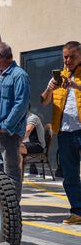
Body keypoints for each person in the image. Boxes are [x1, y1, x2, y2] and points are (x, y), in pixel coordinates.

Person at [41, 41, 81, 225]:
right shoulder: (59, 76)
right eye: (65, 56)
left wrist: (74, 85)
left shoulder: (74, 78)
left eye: (72, 56)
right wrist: (49, 89)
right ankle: (77, 212)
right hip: (65, 133)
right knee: (70, 174)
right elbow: (44, 102)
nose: (68, 60)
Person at [0, 42, 30, 202]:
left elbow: (21, 104)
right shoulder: (0, 74)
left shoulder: (19, 75)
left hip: (7, 133)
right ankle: (1, 206)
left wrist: (6, 126)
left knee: (10, 171)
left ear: (0, 58)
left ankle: (12, 208)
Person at [20, 108, 46, 175]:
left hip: (37, 145)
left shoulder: (32, 118)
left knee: (15, 148)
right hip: (28, 144)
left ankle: (17, 175)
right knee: (10, 146)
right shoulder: (21, 118)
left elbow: (27, 131)